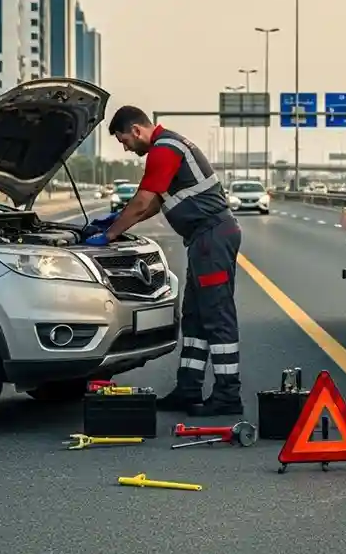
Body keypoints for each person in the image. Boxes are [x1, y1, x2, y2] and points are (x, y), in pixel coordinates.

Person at [86, 106, 243, 417]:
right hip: (204, 240)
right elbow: (154, 204)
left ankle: (228, 394)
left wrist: (111, 235)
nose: (126, 148)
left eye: (123, 141)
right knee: (195, 317)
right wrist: (116, 220)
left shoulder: (164, 149)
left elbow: (144, 199)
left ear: (136, 131)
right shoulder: (168, 148)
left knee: (217, 315)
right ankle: (188, 389)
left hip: (211, 237)